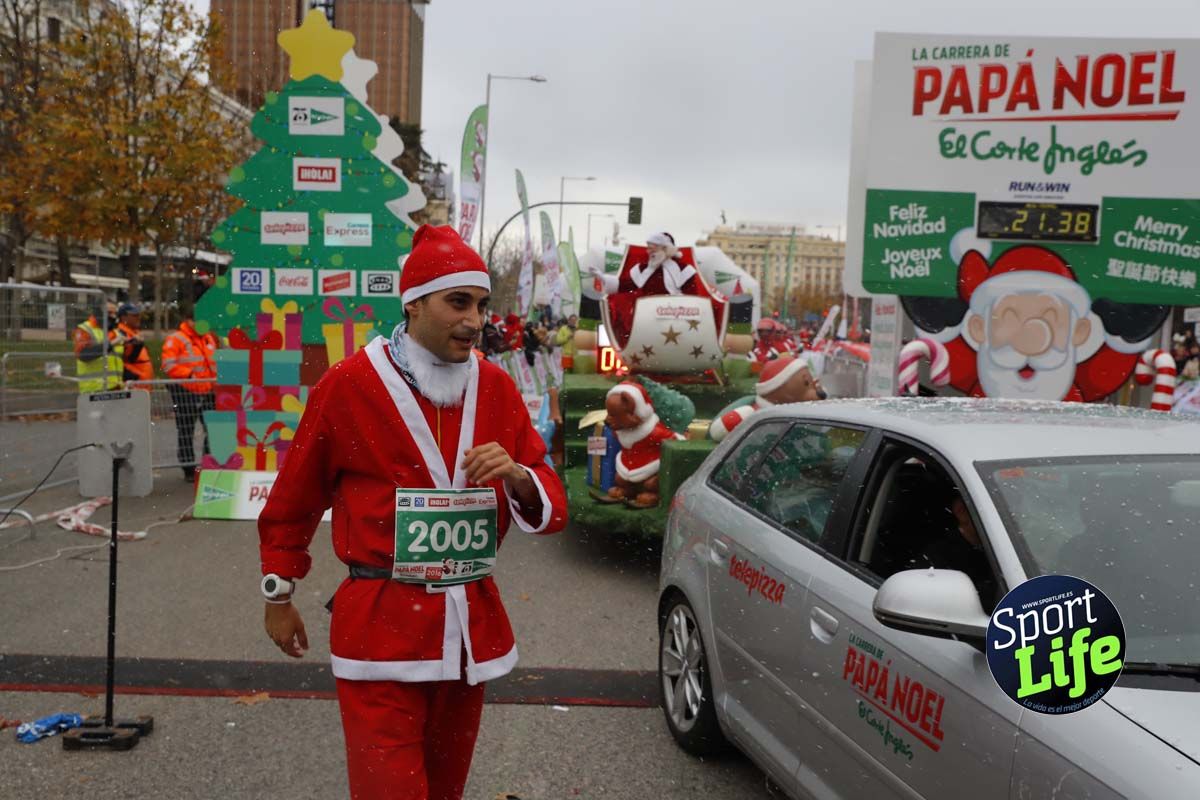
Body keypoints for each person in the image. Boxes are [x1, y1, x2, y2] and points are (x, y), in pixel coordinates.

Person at [257, 225, 567, 800]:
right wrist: (278, 595)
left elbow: (550, 499)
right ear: (415, 303)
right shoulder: (348, 385)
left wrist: (520, 477)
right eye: (458, 303)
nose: (475, 320)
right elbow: (295, 497)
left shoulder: (496, 388)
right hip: (381, 630)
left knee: (445, 789)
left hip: (466, 632)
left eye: (480, 304)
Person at [710, 355, 826, 442]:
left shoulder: (798, 415)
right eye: (806, 383)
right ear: (778, 387)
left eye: (811, 382)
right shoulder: (753, 415)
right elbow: (718, 431)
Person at [161, 314, 218, 481]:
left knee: (212, 430)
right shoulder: (176, 339)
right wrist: (189, 374)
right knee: (186, 431)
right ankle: (188, 469)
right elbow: (168, 365)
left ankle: (208, 465)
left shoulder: (208, 338)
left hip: (208, 391)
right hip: (186, 392)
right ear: (188, 321)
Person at [73, 300, 124, 393]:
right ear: (99, 313)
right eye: (109, 313)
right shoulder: (85, 329)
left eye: (114, 313)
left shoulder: (115, 332)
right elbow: (83, 355)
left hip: (116, 389)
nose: (113, 316)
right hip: (94, 390)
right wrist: (110, 345)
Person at [115, 302, 153, 384]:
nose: (138, 318)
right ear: (123, 317)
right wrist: (134, 376)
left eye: (138, 315)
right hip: (133, 383)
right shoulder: (120, 333)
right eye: (134, 315)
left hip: (142, 382)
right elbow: (124, 358)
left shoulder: (134, 333)